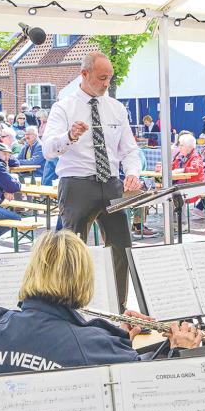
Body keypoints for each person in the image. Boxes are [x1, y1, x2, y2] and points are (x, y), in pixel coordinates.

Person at [0, 231, 201, 375]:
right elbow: (146, 393)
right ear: (83, 279)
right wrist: (180, 352)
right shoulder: (92, 345)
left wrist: (118, 338)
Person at [42, 51, 143, 305]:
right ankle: (69, 307)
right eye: (101, 78)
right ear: (84, 74)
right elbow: (47, 149)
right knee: (71, 251)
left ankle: (119, 308)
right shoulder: (63, 107)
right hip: (77, 184)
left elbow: (129, 149)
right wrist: (69, 136)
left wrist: (132, 173)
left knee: (122, 248)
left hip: (111, 183)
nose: (106, 83)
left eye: (109, 78)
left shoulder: (117, 108)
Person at [160, 133, 205, 217]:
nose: (179, 147)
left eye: (181, 145)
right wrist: (163, 168)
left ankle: (182, 222)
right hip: (181, 184)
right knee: (165, 193)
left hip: (194, 186)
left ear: (189, 147)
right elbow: (172, 166)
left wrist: (181, 170)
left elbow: (195, 169)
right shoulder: (180, 156)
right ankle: (171, 220)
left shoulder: (196, 156)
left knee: (178, 194)